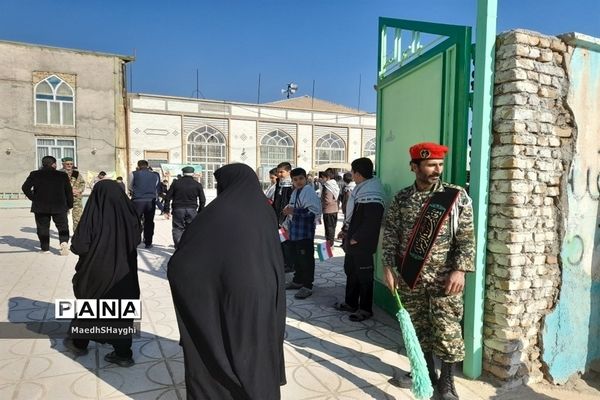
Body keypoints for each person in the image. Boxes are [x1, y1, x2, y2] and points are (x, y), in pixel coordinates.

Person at [168, 163, 286, 399]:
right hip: (264, 291)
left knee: (222, 344)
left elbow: (184, 263)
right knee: (256, 350)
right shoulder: (264, 210)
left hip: (231, 292)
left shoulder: (217, 212)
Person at [382, 142, 475, 400]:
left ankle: (447, 383)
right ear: (414, 167)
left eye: (440, 165)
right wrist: (388, 267)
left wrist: (460, 270)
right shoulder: (402, 199)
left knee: (447, 330)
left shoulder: (455, 196)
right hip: (410, 277)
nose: (437, 170)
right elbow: (390, 235)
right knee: (418, 329)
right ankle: (425, 374)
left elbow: (466, 238)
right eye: (431, 165)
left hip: (445, 279)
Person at [62, 180, 141, 367]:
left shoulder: (92, 215)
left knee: (89, 306)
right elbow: (137, 238)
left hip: (95, 272)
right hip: (124, 273)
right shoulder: (130, 214)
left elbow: (79, 246)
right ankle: (123, 354)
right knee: (121, 312)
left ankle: (79, 343)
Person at [334, 158, 385, 322]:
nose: (352, 175)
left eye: (353, 171)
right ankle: (350, 302)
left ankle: (365, 309)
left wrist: (356, 237)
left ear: (357, 173)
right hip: (353, 241)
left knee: (364, 276)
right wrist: (345, 231)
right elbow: (354, 216)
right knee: (351, 271)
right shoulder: (361, 189)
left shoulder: (373, 192)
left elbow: (372, 220)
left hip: (362, 243)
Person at [282, 167, 321, 299]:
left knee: (306, 260)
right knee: (297, 258)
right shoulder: (296, 192)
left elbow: (312, 212)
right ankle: (298, 281)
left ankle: (307, 286)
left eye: (301, 179)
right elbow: (292, 208)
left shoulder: (309, 192)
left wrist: (293, 211)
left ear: (306, 178)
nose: (298, 181)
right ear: (292, 180)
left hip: (305, 232)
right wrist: (288, 211)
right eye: (295, 179)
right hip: (295, 232)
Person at [21, 155, 73, 255]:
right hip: (60, 206)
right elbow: (68, 192)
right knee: (62, 226)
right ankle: (64, 242)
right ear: (54, 164)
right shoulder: (62, 175)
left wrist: (34, 198)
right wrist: (69, 205)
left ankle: (45, 249)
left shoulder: (35, 174)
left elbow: (25, 188)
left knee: (43, 227)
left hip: (41, 207)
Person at [164, 166, 206, 248]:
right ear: (193, 174)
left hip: (178, 209)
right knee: (191, 229)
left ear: (183, 173)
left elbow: (168, 197)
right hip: (192, 209)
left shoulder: (176, 183)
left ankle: (179, 246)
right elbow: (202, 200)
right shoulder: (197, 184)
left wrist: (166, 210)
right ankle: (189, 247)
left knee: (177, 228)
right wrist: (200, 211)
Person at [128, 160, 161, 249]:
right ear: (147, 166)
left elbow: (130, 186)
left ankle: (135, 240)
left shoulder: (133, 174)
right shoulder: (155, 175)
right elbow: (156, 187)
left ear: (138, 166)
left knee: (136, 221)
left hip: (137, 201)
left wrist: (136, 191)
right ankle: (148, 242)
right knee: (149, 222)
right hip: (150, 201)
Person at [272, 161, 295, 273]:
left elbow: (290, 203)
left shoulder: (291, 185)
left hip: (286, 219)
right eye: (278, 172)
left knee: (286, 242)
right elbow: (277, 200)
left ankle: (290, 264)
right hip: (277, 217)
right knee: (281, 241)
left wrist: (285, 218)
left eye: (282, 172)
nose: (279, 174)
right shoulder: (279, 183)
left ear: (289, 172)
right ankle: (283, 262)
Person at [60, 157, 86, 231]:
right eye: (67, 164)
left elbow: (82, 183)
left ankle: (77, 235)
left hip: (76, 198)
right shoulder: (59, 173)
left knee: (78, 218)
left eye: (71, 164)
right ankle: (64, 235)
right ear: (63, 164)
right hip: (63, 199)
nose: (69, 165)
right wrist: (69, 190)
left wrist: (79, 190)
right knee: (63, 218)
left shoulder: (76, 173)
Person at [320, 168, 339, 247]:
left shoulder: (327, 186)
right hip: (334, 209)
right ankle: (331, 244)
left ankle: (329, 245)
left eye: (323, 177)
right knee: (332, 228)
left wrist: (321, 204)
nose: (322, 179)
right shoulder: (334, 184)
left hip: (328, 210)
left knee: (329, 229)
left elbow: (328, 200)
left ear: (327, 177)